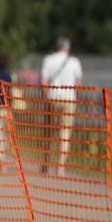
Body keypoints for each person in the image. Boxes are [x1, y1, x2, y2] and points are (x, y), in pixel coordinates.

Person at [40, 36, 83, 177]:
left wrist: (46, 96)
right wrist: (77, 96)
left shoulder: (48, 59)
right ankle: (61, 168)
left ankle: (45, 163)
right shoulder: (75, 62)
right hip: (69, 99)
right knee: (65, 133)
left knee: (48, 132)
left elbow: (44, 81)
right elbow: (79, 83)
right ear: (68, 48)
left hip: (52, 97)